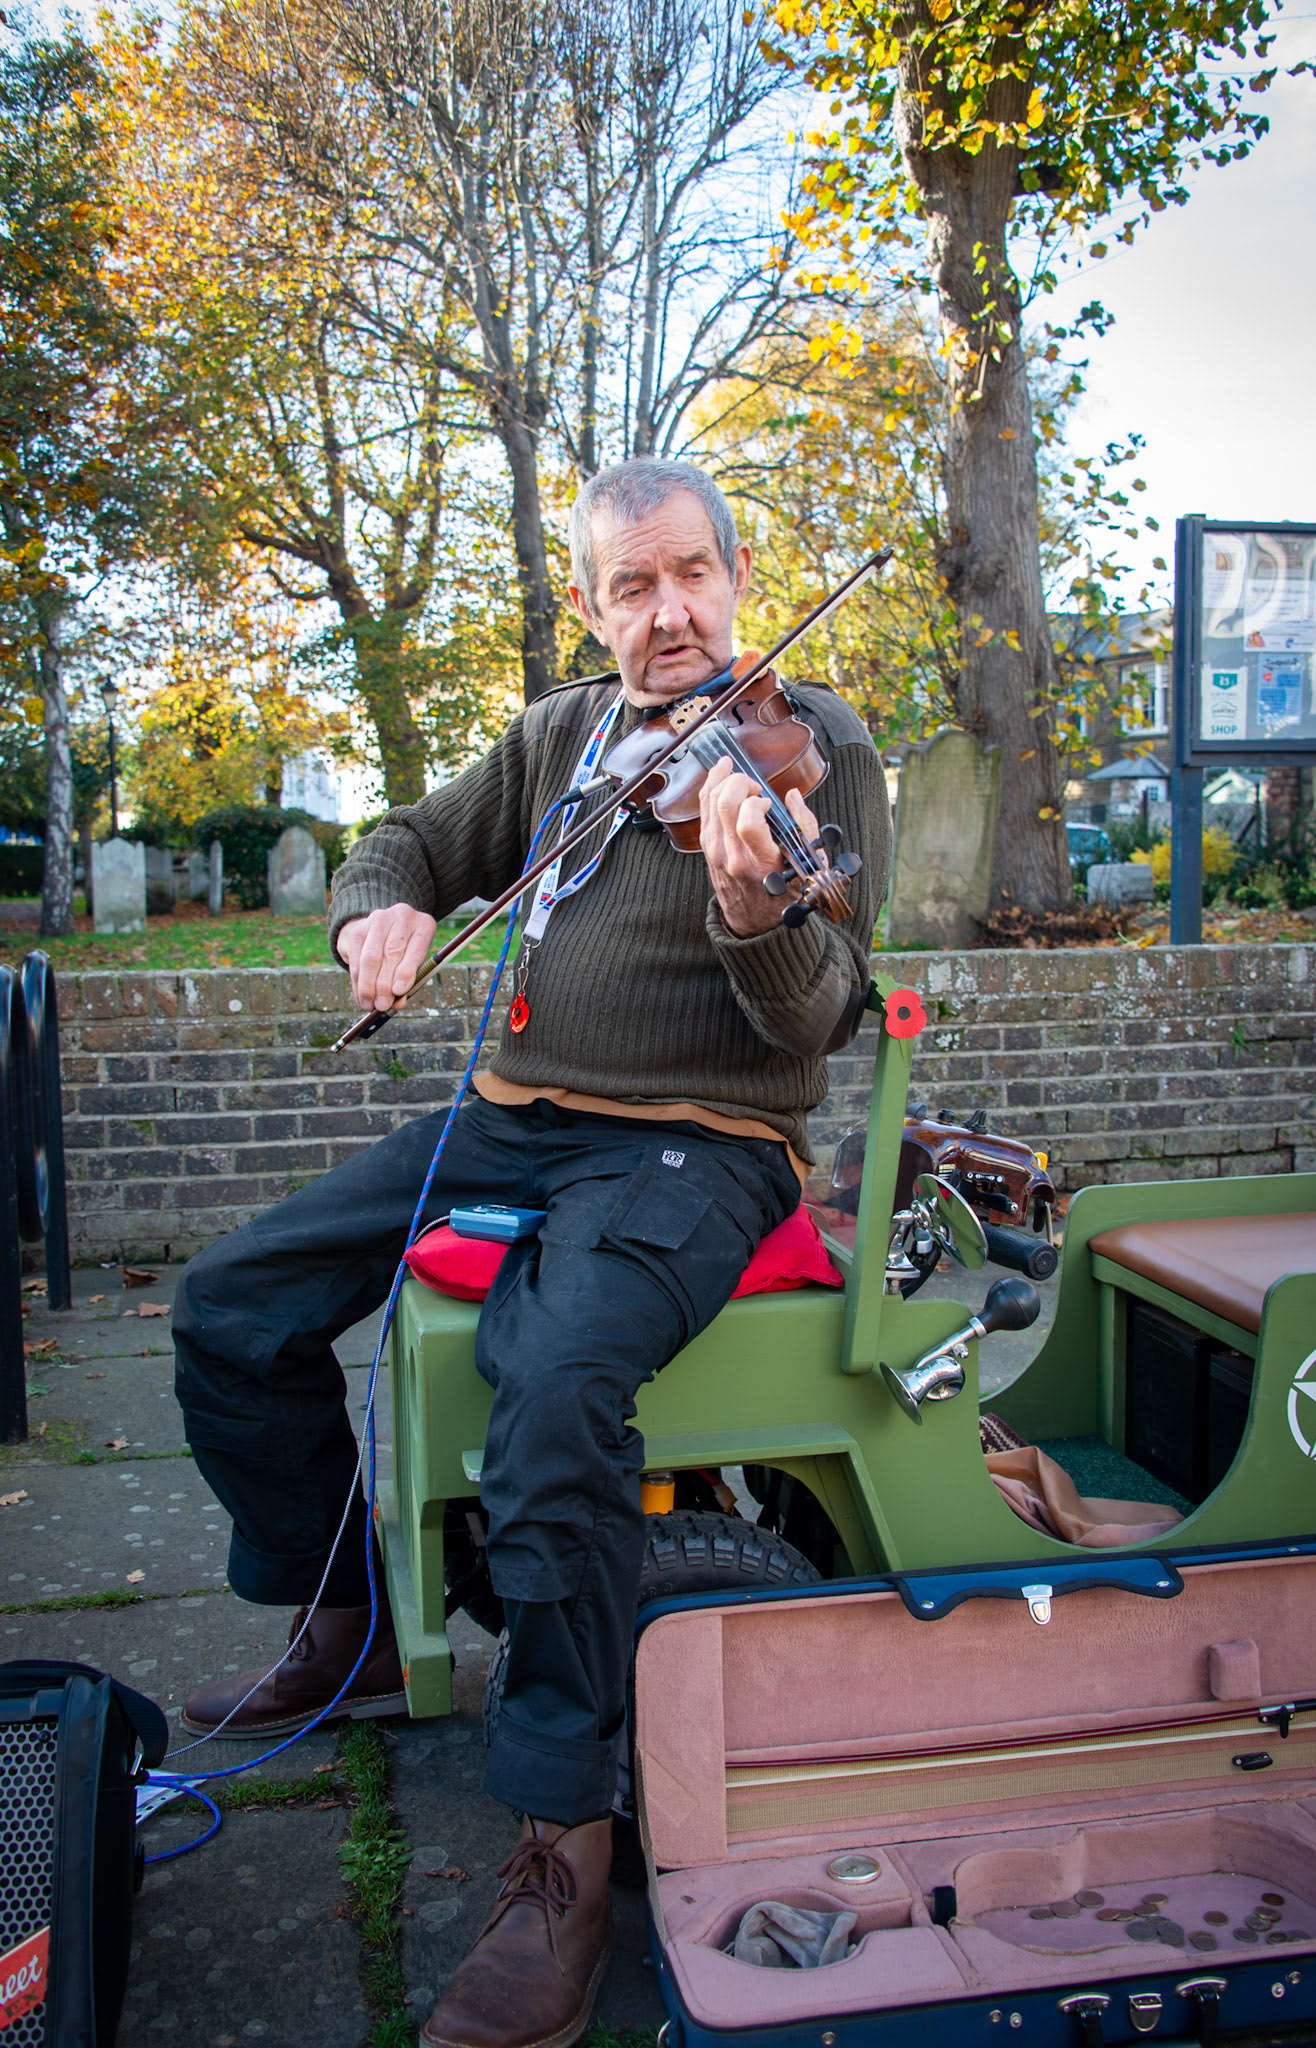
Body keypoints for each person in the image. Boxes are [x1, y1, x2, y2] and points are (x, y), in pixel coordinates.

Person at [172, 457, 892, 2048]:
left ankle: (561, 1844)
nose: (671, 615)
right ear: (589, 602)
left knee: (555, 1390)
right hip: (507, 1118)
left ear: (738, 572)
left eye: (692, 575)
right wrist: (379, 913)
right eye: (631, 587)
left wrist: (755, 908)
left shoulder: (813, 745)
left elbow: (820, 1015)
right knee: (231, 1306)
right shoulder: (561, 737)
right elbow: (403, 845)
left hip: (703, 1141)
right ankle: (342, 1620)